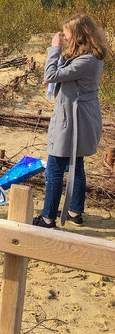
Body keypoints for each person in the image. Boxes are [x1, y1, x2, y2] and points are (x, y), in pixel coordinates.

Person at [33, 14, 106, 229]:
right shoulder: (89, 56)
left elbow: (51, 74)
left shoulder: (87, 60)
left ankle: (47, 219)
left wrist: (54, 50)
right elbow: (57, 74)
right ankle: (75, 211)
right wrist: (57, 67)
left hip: (72, 121)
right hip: (81, 117)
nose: (63, 36)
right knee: (77, 165)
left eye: (67, 33)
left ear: (79, 35)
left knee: (55, 168)